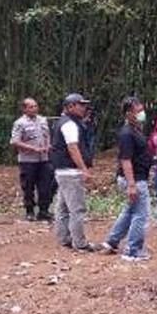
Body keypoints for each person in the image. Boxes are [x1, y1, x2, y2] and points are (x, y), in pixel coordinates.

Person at [102, 97, 153, 261]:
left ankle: (112, 241)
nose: (141, 114)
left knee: (130, 210)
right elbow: (125, 159)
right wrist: (131, 184)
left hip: (138, 177)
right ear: (129, 113)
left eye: (141, 110)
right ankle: (133, 250)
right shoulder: (126, 133)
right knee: (141, 214)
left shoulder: (136, 129)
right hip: (134, 179)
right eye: (138, 111)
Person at [51, 93, 95, 252]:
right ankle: (80, 243)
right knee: (77, 209)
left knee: (63, 207)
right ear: (70, 106)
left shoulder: (62, 122)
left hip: (62, 171)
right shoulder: (69, 124)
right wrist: (83, 168)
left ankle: (64, 238)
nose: (84, 108)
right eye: (80, 105)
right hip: (70, 172)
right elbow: (73, 148)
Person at [10, 98, 53, 221]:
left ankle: (44, 210)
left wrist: (47, 144)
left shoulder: (42, 120)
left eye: (36, 106)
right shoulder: (20, 123)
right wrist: (33, 149)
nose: (35, 109)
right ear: (25, 109)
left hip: (44, 159)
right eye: (31, 107)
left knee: (45, 186)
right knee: (28, 187)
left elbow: (47, 134)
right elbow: (15, 141)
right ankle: (29, 211)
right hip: (28, 160)